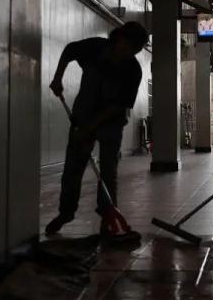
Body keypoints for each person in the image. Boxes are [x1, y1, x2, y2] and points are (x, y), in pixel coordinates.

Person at [45, 21, 148, 235]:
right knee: (73, 168)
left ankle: (107, 216)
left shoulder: (133, 69)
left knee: (108, 171)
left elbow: (118, 105)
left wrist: (90, 128)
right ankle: (66, 213)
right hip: (83, 114)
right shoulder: (94, 48)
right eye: (128, 48)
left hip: (111, 123)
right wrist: (57, 77)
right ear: (119, 37)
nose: (128, 54)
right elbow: (69, 50)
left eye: (134, 51)